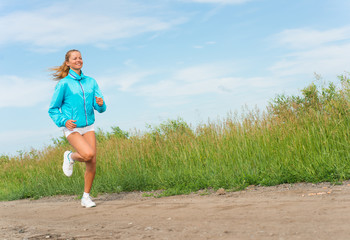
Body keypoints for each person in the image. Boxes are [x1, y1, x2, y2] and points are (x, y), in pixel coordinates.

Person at [48, 49, 106, 208]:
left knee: (92, 161)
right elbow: (53, 109)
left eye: (80, 57)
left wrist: (100, 104)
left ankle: (86, 197)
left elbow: (100, 107)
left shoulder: (91, 82)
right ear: (68, 63)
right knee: (88, 154)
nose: (78, 60)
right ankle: (70, 157)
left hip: (89, 126)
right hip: (72, 128)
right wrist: (64, 121)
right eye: (74, 58)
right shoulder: (64, 84)